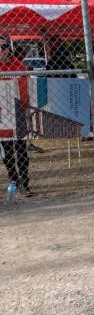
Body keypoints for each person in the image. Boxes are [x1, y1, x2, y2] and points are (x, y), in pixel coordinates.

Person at [0, 35, 32, 197]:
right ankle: (13, 178)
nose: (1, 50)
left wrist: (22, 107)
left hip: (17, 112)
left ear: (9, 48)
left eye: (4, 46)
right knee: (7, 151)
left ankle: (25, 183)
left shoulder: (17, 65)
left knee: (21, 150)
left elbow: (25, 91)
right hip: (2, 115)